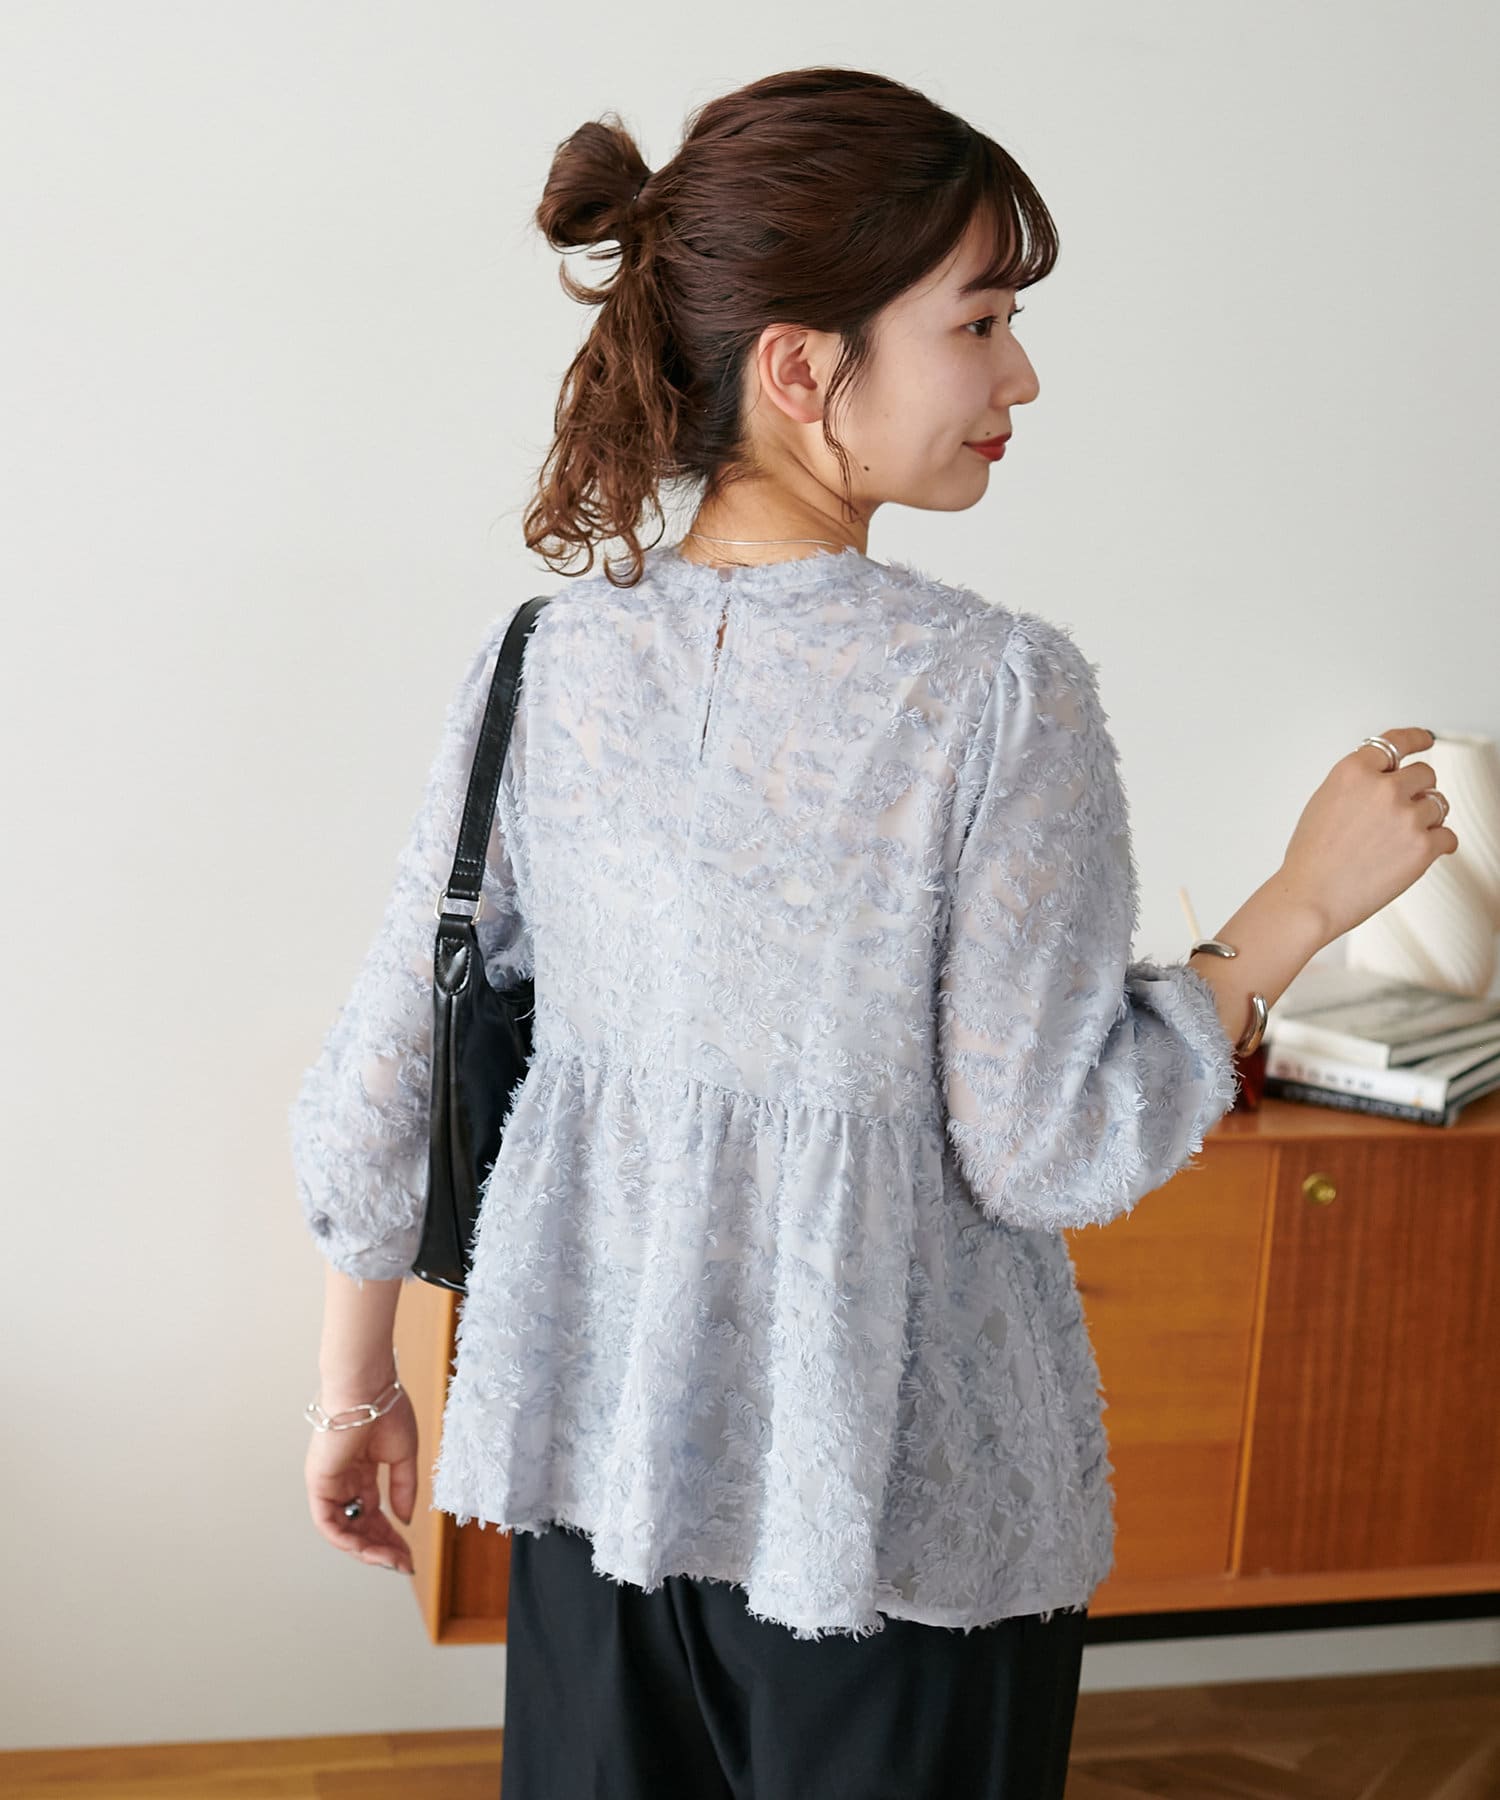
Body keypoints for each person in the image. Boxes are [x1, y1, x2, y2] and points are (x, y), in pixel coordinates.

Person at [289, 66, 1457, 1800]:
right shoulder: (993, 694)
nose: (1021, 375)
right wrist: (1296, 909)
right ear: (799, 366)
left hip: (598, 1484)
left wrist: (352, 1391)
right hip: (903, 1522)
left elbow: (391, 1061)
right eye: (980, 322)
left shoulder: (545, 659)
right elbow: (1052, 1142)